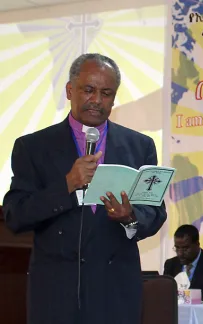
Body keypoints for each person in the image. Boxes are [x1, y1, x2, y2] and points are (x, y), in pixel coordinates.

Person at [2, 53, 167, 324]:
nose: (97, 100)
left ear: (114, 98)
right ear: (70, 90)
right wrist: (67, 185)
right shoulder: (33, 147)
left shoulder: (140, 146)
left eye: (106, 93)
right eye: (88, 90)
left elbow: (155, 212)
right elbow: (16, 216)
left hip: (116, 293)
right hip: (56, 294)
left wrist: (130, 217)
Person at [163, 224, 203, 300]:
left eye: (185, 248)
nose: (180, 253)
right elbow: (165, 292)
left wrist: (188, 294)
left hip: (202, 310)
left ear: (197, 244)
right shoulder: (170, 264)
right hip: (177, 311)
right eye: (177, 248)